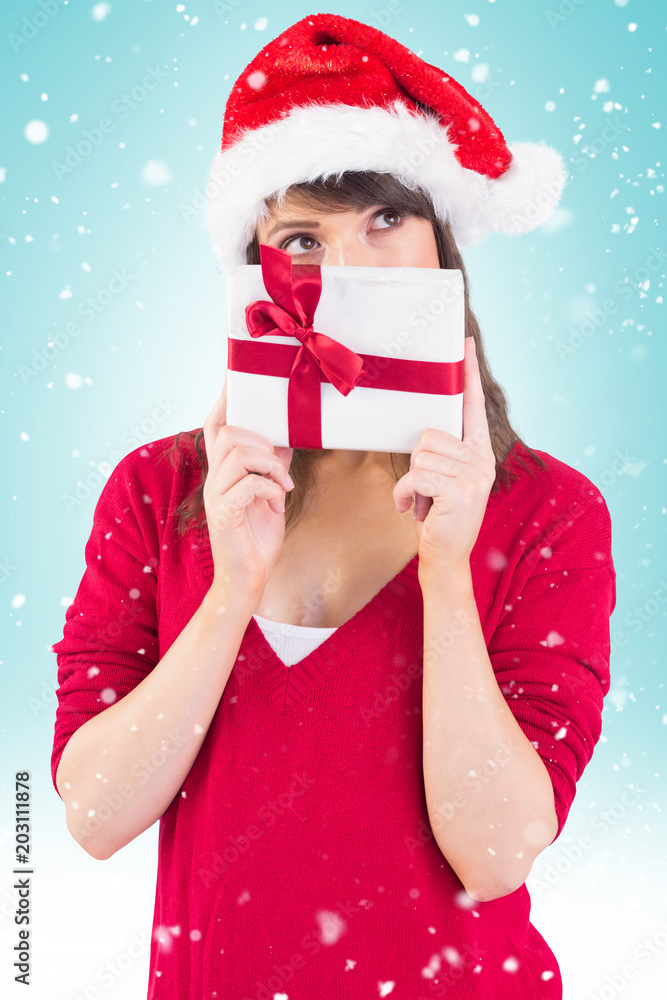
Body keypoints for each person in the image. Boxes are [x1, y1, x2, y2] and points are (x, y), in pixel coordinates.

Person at [50, 13, 616, 999]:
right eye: (304, 237)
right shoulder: (156, 494)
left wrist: (447, 570)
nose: (349, 272)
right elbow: (92, 815)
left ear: (446, 246)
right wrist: (232, 586)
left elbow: (495, 854)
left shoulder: (551, 513)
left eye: (386, 220)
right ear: (253, 277)